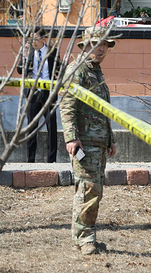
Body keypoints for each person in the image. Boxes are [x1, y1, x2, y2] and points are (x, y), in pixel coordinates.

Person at [61, 27, 118, 256]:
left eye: (105, 44)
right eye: (97, 43)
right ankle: (86, 238)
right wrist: (72, 137)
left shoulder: (95, 71)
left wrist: (110, 138)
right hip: (83, 141)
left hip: (98, 141)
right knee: (89, 189)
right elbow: (67, 104)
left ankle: (80, 235)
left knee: (88, 189)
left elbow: (103, 109)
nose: (102, 48)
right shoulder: (77, 70)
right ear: (85, 45)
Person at [17, 27, 60, 163]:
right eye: (31, 39)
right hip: (33, 93)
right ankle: (30, 160)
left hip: (49, 92)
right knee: (31, 128)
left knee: (52, 128)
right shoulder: (29, 53)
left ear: (43, 38)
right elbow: (20, 71)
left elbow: (60, 70)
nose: (33, 42)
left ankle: (51, 161)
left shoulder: (53, 52)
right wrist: (24, 56)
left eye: (36, 39)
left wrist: (65, 64)